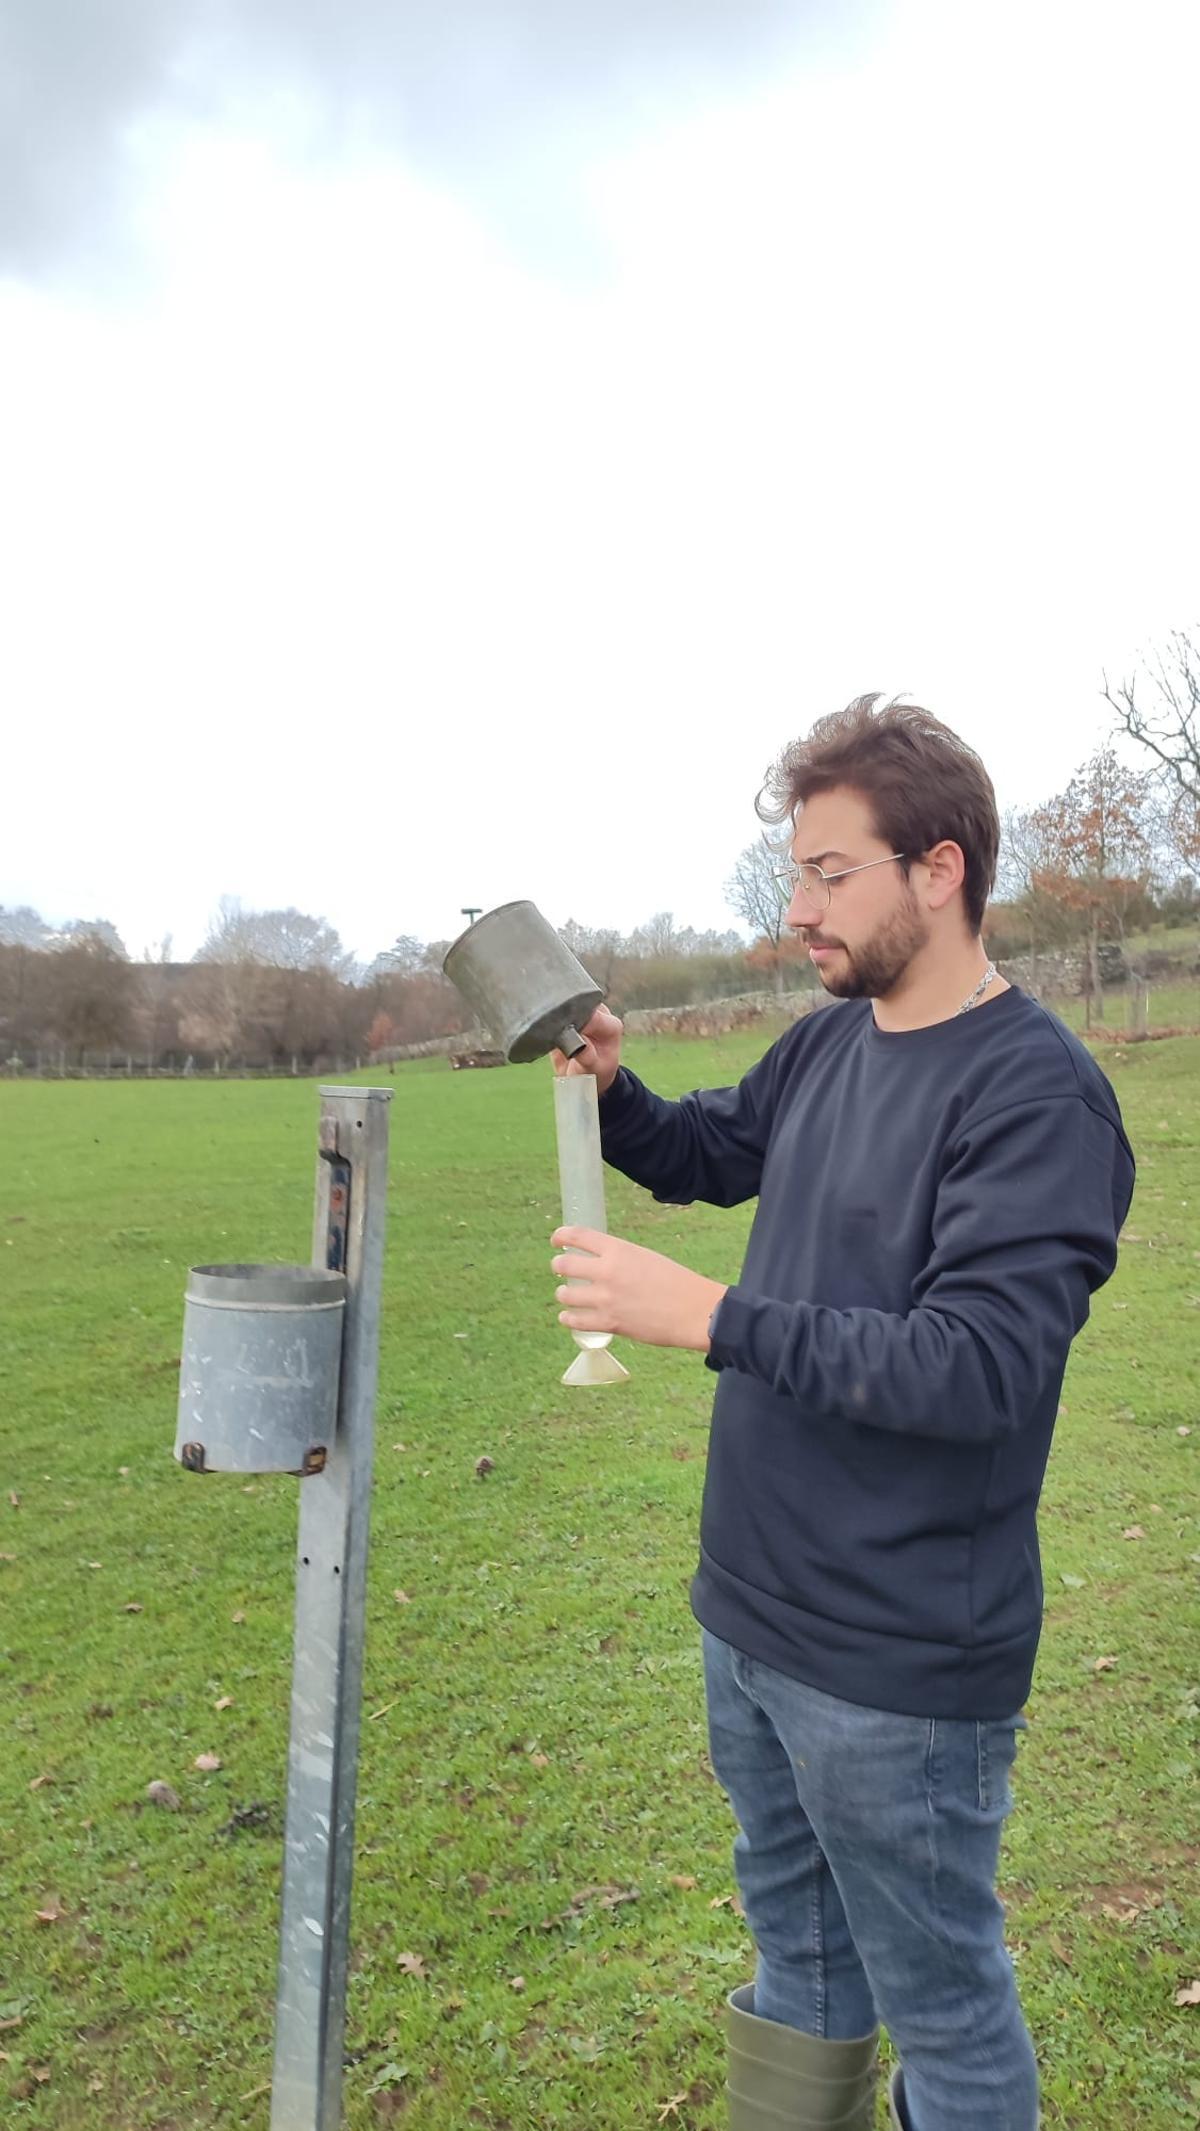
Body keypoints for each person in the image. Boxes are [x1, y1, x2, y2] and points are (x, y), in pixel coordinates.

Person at [549, 696, 1135, 2131]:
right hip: (751, 1617)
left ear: (939, 871)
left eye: (829, 874)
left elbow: (976, 1365)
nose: (795, 911)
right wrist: (621, 1097)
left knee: (942, 2009)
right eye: (791, 876)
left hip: (897, 1662)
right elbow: (710, 1148)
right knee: (799, 1970)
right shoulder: (830, 1045)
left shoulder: (1036, 1097)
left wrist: (709, 1318)